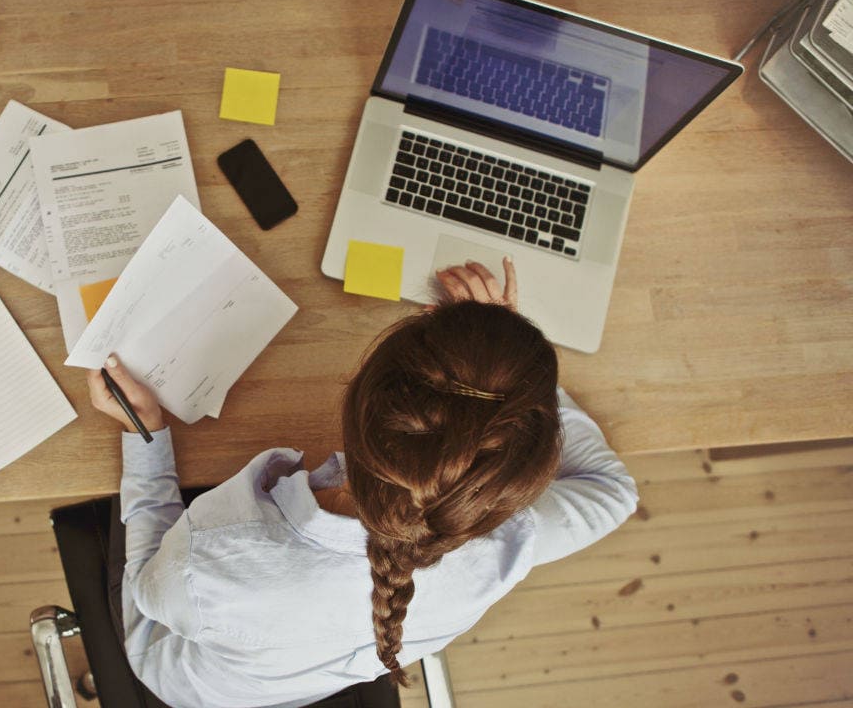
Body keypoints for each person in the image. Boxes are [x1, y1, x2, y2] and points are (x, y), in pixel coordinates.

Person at [86, 259, 638, 708]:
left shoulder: (210, 558)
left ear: (357, 391)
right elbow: (614, 493)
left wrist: (147, 436)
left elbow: (148, 594)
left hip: (178, 678)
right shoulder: (507, 547)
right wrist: (511, 376)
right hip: (309, 676)